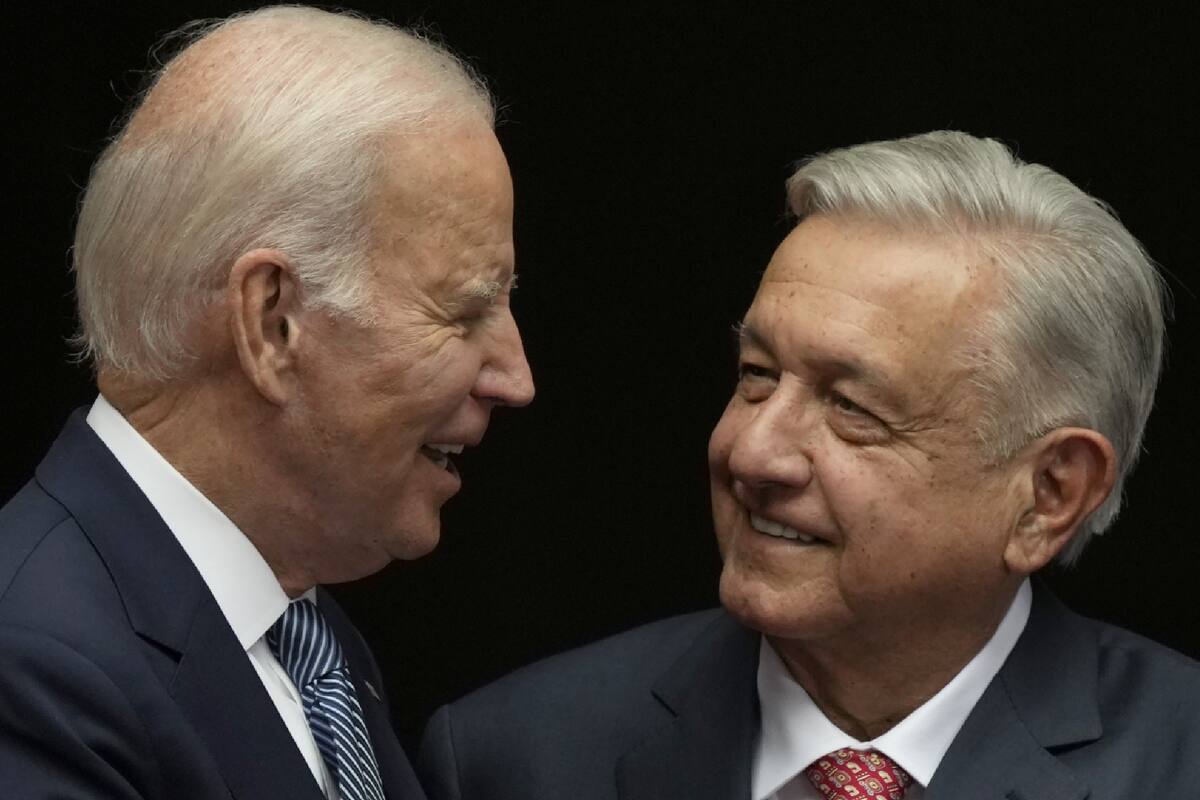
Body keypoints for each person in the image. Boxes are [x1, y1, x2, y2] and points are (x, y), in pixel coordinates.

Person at [417, 131, 1200, 799]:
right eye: (757, 376)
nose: (752, 452)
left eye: (851, 407)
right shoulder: (520, 758)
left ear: (1049, 494)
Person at [0, 6, 533, 800]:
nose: (515, 377)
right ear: (272, 321)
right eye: (463, 312)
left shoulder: (304, 640)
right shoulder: (34, 669)